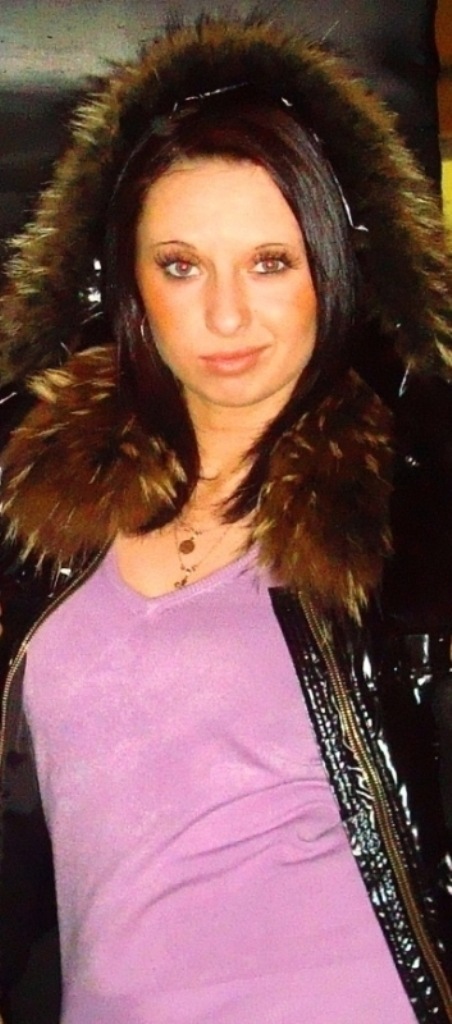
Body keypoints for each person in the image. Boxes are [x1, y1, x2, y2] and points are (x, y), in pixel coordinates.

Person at [0, 14, 451, 1024]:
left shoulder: (411, 500)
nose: (226, 316)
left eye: (269, 262)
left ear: (331, 266)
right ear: (128, 281)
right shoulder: (37, 514)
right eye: (181, 265)